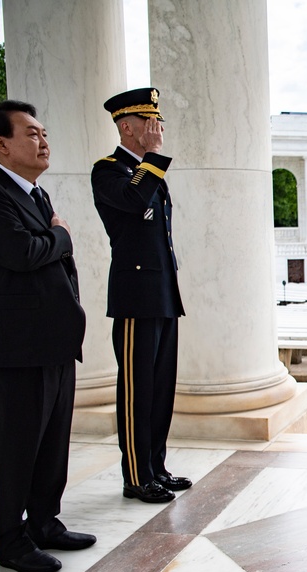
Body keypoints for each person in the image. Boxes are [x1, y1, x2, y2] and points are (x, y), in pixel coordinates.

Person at [0, 100, 93, 572]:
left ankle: (44, 522)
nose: (44, 142)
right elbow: (22, 253)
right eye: (33, 133)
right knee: (16, 447)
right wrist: (62, 237)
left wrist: (53, 240)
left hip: (52, 342)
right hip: (12, 348)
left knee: (53, 442)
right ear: (1, 143)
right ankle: (10, 540)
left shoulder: (36, 195)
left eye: (44, 133)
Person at [91, 87, 190, 504]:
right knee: (137, 388)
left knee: (161, 387)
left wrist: (151, 162)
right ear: (127, 127)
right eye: (151, 123)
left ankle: (156, 467)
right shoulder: (109, 170)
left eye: (159, 122)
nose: (159, 129)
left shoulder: (149, 171)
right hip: (135, 295)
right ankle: (136, 475)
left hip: (163, 290)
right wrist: (151, 157)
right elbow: (133, 201)